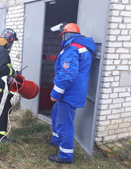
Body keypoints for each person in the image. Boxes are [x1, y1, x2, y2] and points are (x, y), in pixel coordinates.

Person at [47, 23, 95, 164]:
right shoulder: (81, 47)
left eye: (62, 35)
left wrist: (55, 93)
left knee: (65, 123)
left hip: (69, 93)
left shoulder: (71, 49)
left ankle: (65, 156)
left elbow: (68, 75)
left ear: (67, 34)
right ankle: (56, 140)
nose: (61, 38)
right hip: (74, 91)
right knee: (56, 113)